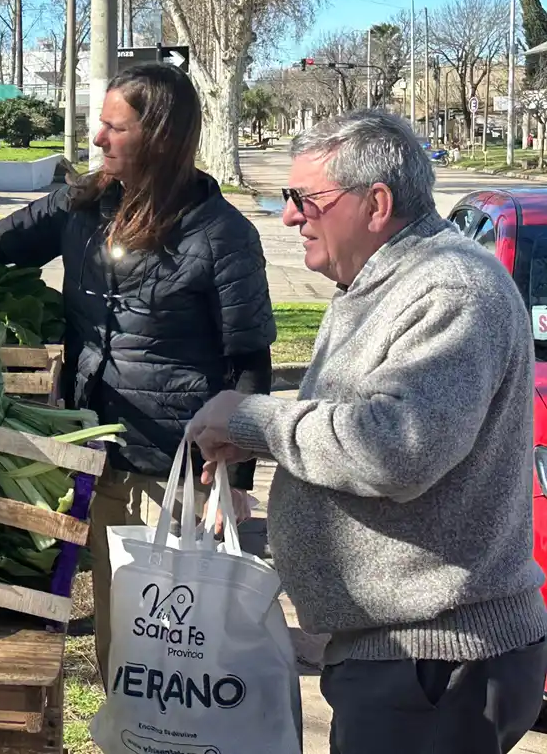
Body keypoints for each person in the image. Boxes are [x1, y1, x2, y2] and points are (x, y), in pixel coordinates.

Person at [0, 63, 276, 680]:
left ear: (157, 135)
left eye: (111, 126)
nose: (97, 139)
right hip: (95, 447)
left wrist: (235, 477)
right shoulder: (83, 204)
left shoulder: (222, 234)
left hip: (178, 468)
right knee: (116, 635)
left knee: (178, 649)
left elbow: (249, 359)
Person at [190, 109, 547, 754]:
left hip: (436, 660)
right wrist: (254, 439)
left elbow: (394, 446)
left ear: (376, 203)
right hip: (401, 655)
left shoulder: (452, 289)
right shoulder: (380, 285)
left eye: (306, 200)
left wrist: (250, 418)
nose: (289, 215)